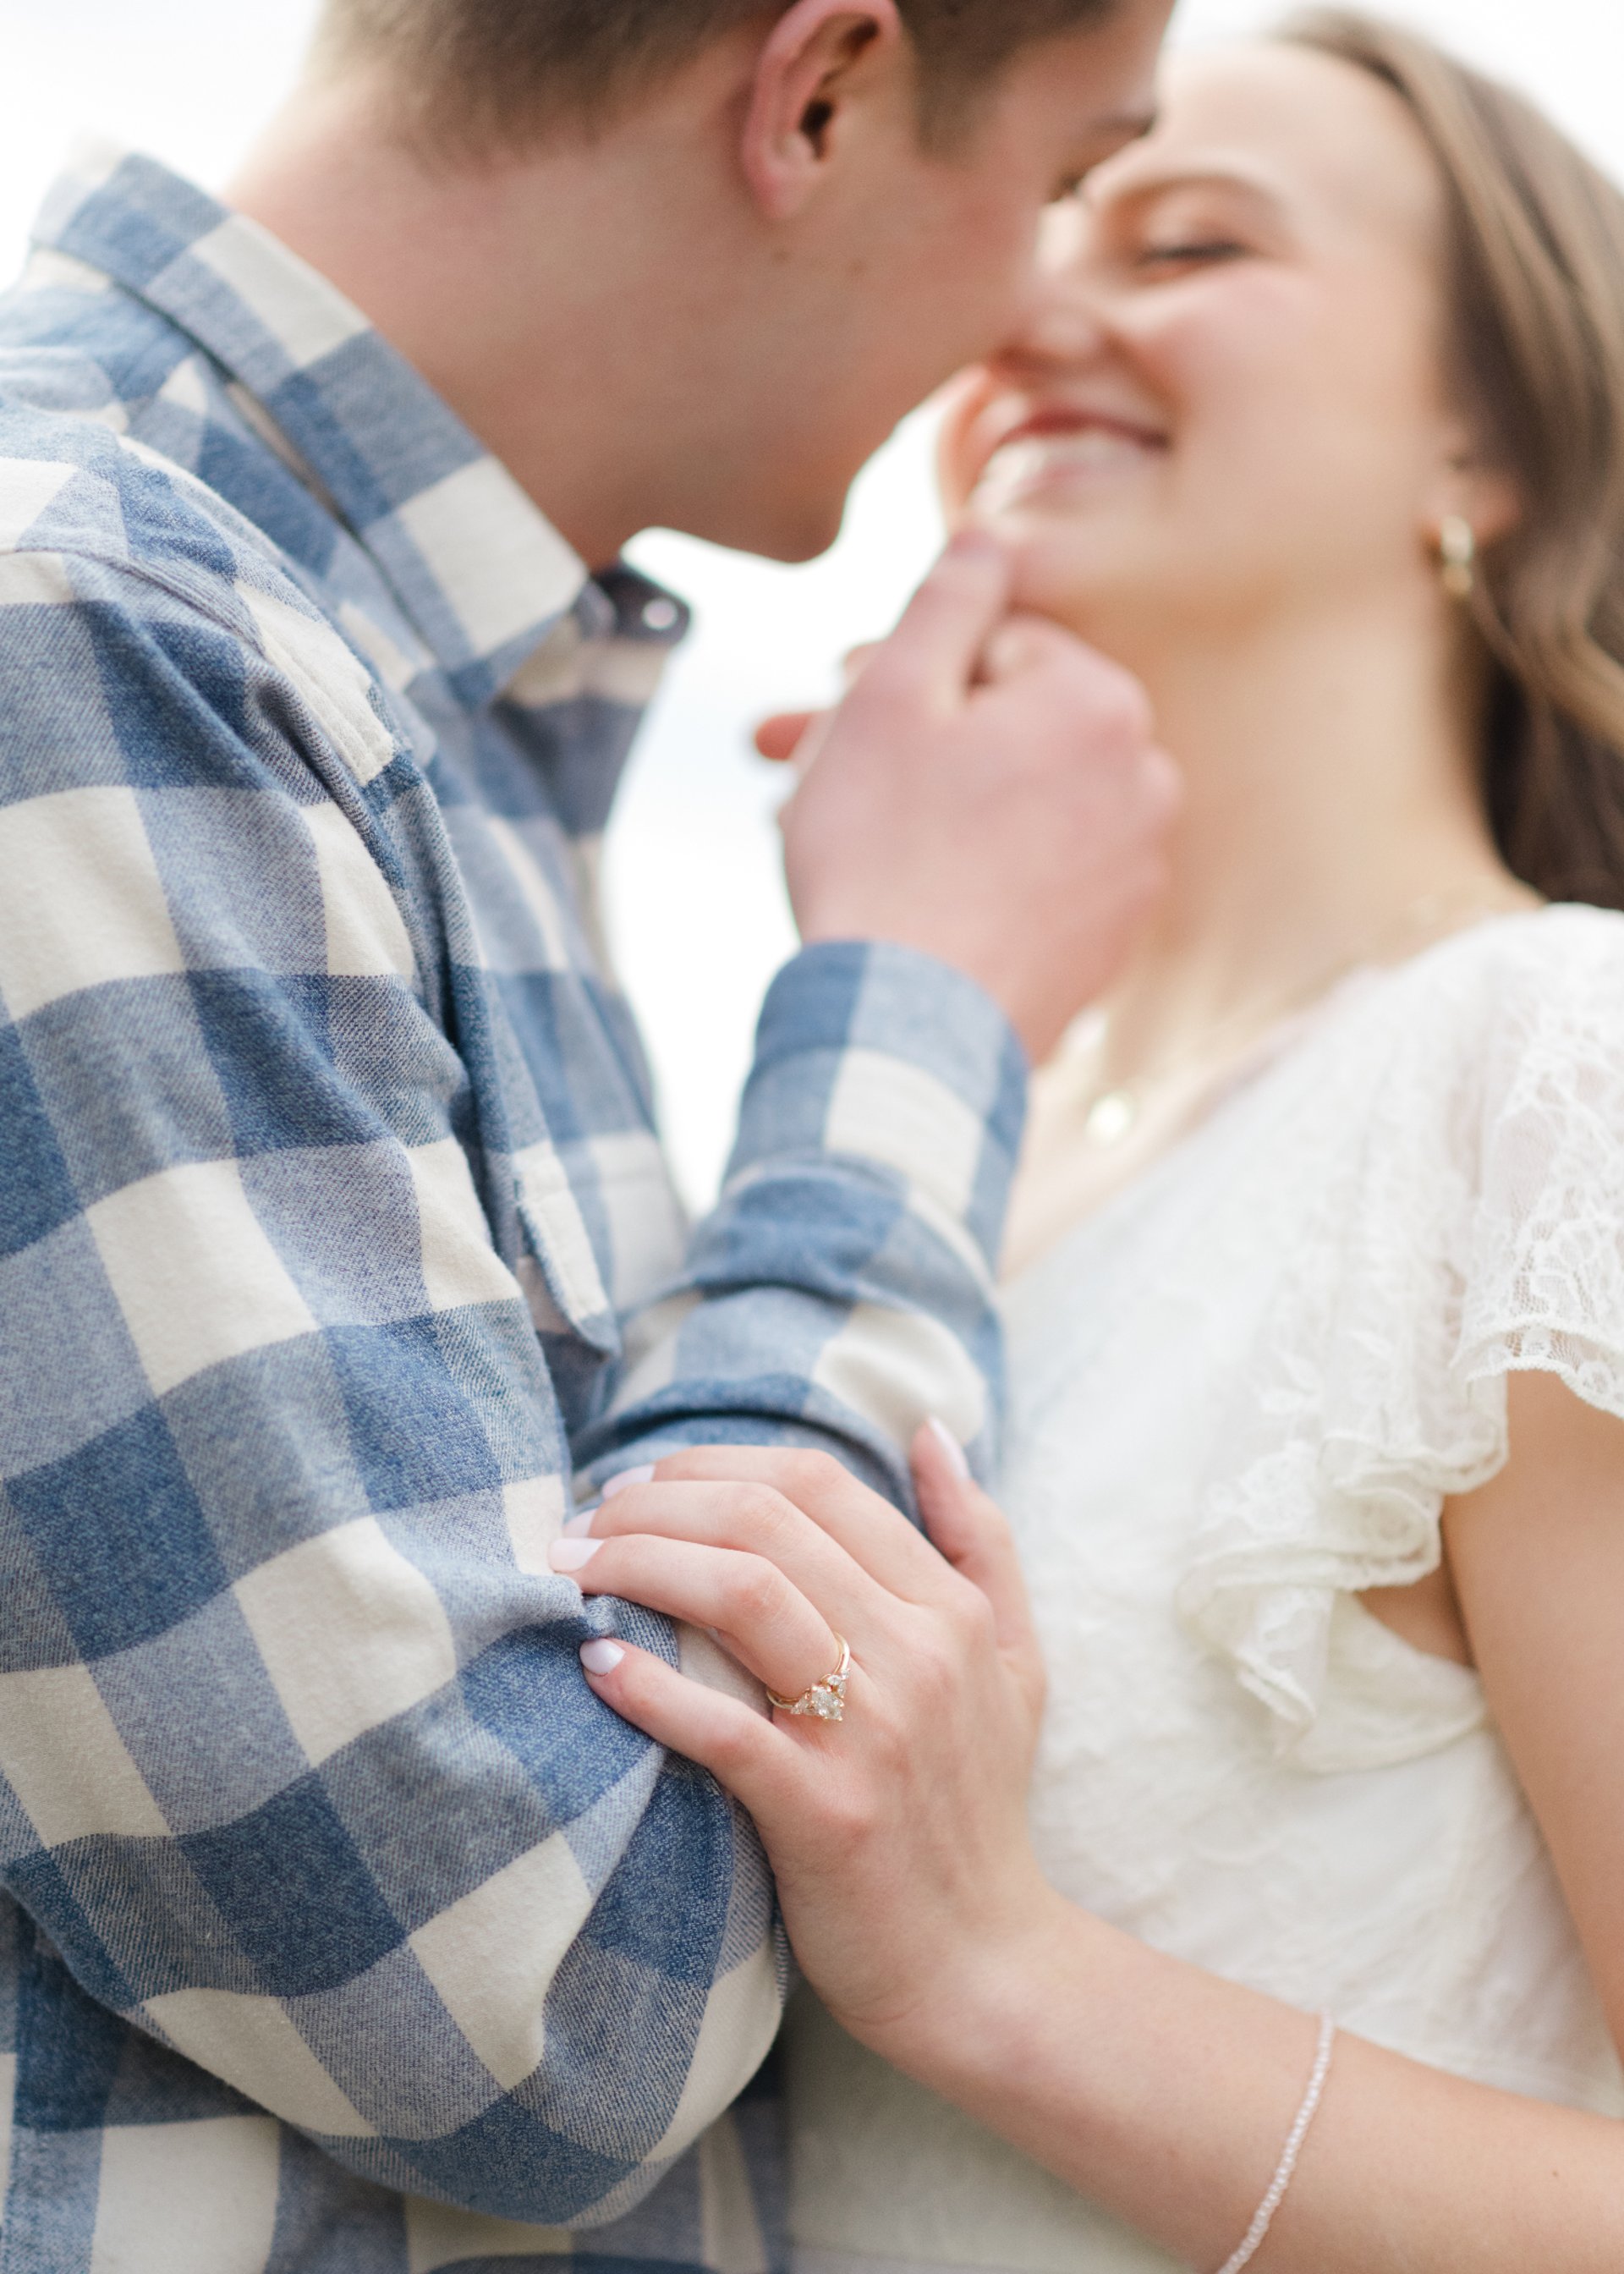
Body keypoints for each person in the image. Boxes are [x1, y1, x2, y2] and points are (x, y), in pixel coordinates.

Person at [0, 2, 1182, 2269]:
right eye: (1061, 180)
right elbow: (534, 2011)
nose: (1043, 309)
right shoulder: (91, 624)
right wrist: (917, 1011)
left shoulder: (379, 687)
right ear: (818, 91)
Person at [561, 14, 1624, 2270]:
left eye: (1191, 242)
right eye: (1039, 223)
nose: (1030, 310)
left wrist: (996, 1975)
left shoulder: (1559, 1070)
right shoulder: (949, 1167)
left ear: (1494, 441)